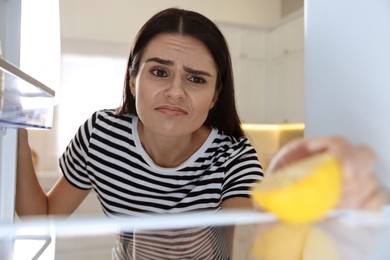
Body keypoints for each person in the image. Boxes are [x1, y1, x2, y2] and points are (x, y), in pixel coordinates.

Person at [16, 7, 387, 260]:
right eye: (159, 72)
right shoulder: (101, 135)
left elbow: (243, 242)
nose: (176, 91)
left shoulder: (233, 156)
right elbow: (39, 220)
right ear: (132, 80)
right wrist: (14, 125)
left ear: (214, 96)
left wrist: (290, 209)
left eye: (196, 79)